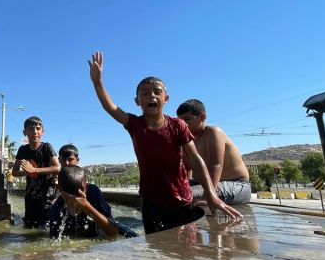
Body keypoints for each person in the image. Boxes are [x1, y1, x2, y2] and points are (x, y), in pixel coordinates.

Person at [87, 51, 242, 234]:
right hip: (151, 201)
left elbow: (196, 159)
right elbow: (110, 107)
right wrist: (97, 83)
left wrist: (211, 194)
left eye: (157, 92)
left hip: (181, 199)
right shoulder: (135, 124)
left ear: (165, 99)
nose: (151, 96)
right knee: (155, 249)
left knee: (186, 249)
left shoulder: (178, 126)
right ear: (137, 101)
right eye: (145, 93)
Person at [176, 99, 251, 205]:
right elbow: (186, 168)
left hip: (237, 185)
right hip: (203, 183)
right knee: (165, 192)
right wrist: (184, 184)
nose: (182, 124)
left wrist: (208, 196)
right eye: (179, 121)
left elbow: (216, 165)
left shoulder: (213, 132)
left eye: (187, 119)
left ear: (202, 117)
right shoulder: (187, 141)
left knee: (184, 196)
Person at [12, 116, 61, 228]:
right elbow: (14, 172)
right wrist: (26, 172)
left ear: (42, 132)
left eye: (38, 128)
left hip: (47, 193)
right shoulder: (22, 150)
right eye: (31, 129)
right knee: (28, 225)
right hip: (30, 194)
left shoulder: (46, 147)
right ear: (25, 132)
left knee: (44, 225)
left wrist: (34, 170)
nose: (35, 132)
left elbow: (57, 168)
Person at [49, 165, 119, 238]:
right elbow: (53, 238)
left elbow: (113, 232)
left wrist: (86, 206)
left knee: (126, 232)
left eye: (79, 195)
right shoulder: (57, 208)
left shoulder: (92, 192)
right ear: (61, 191)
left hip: (100, 231)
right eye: (70, 196)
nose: (75, 200)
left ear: (86, 186)